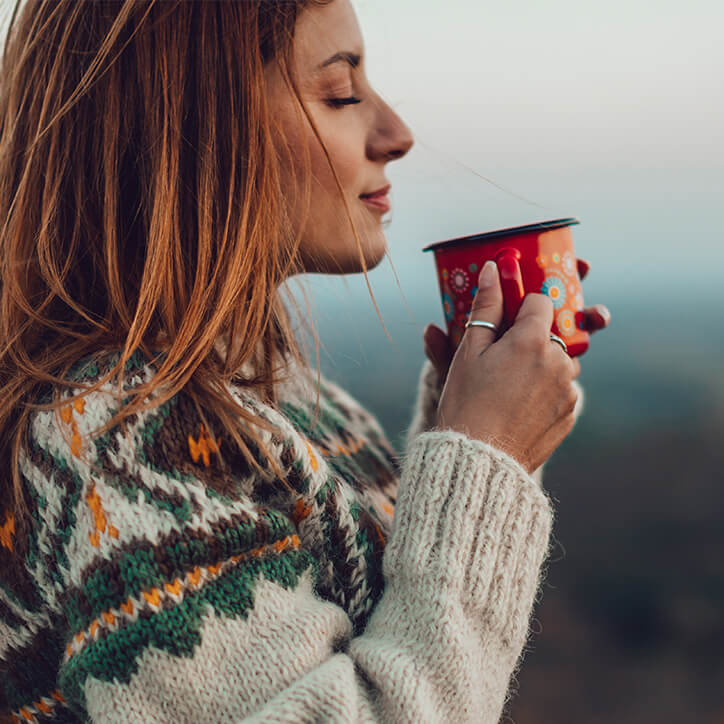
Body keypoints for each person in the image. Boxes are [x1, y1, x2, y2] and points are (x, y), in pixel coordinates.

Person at [0, 1, 610, 722]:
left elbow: (387, 634)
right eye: (342, 92)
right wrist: (486, 458)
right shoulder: (114, 436)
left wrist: (466, 423)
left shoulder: (290, 402)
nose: (396, 134)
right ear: (193, 131)